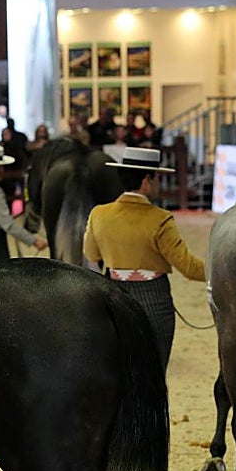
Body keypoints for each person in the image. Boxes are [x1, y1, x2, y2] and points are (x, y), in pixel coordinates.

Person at [82, 146, 205, 370]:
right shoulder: (160, 219)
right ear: (147, 180)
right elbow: (188, 267)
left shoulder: (99, 214)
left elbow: (91, 254)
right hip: (153, 298)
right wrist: (220, 273)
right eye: (157, 177)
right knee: (154, 372)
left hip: (113, 294)